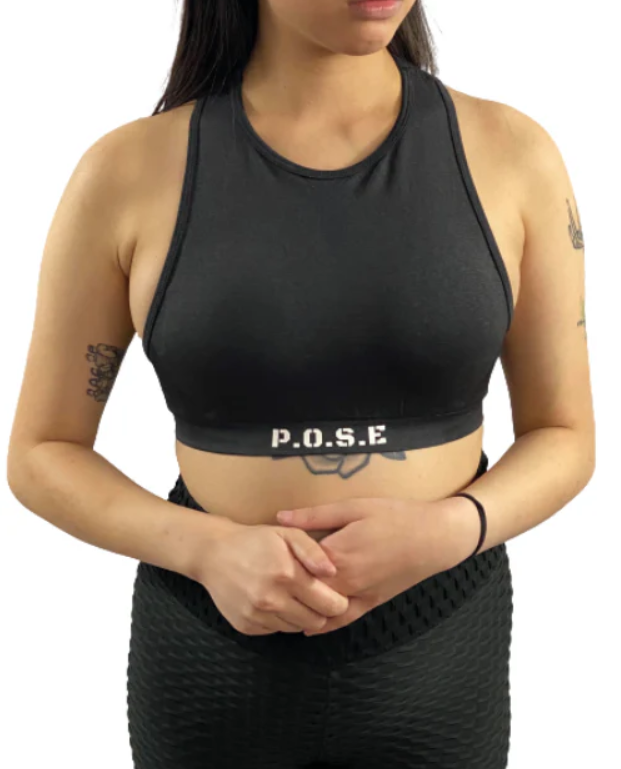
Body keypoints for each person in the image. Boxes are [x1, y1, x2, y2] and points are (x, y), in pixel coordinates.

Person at [6, 1, 596, 768]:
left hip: (440, 639)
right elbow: (42, 450)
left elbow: (564, 433)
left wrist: (455, 528)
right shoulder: (126, 173)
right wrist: (206, 549)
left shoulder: (513, 155)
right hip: (210, 656)